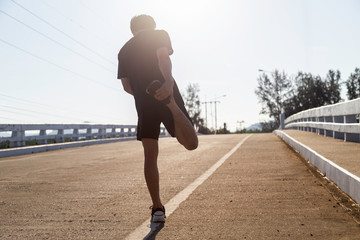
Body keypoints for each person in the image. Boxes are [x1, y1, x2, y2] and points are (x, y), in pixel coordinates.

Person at [117, 14, 198, 223]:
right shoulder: (159, 34)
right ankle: (171, 106)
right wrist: (168, 84)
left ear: (132, 30)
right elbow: (163, 57)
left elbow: (126, 86)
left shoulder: (124, 50)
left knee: (150, 155)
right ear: (152, 25)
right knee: (191, 144)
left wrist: (146, 97)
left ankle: (157, 208)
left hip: (144, 100)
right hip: (165, 89)